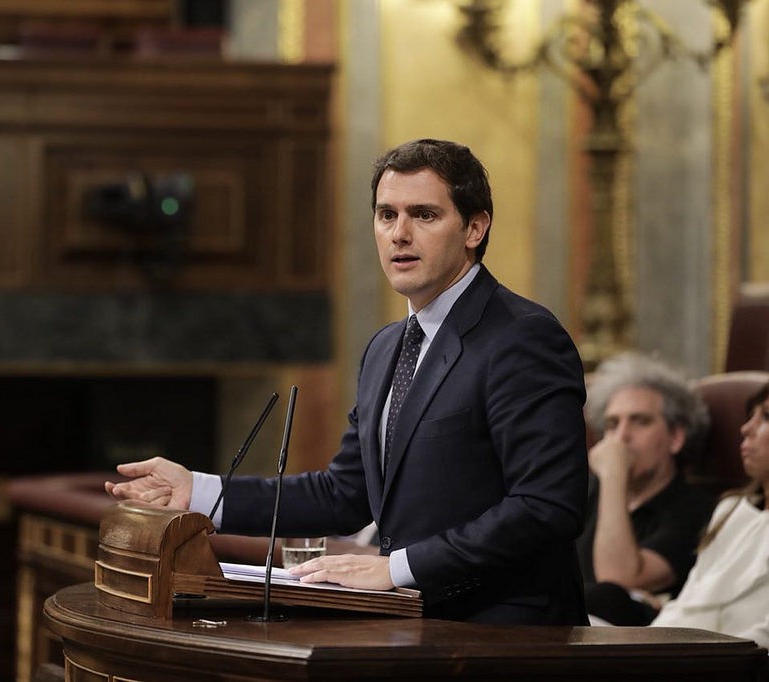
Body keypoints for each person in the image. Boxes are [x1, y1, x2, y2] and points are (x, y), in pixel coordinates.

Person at [107, 138, 590, 625]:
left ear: (474, 227)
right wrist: (202, 494)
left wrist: (397, 569)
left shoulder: (522, 337)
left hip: (507, 636)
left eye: (423, 215)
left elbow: (546, 506)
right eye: (386, 215)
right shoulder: (386, 347)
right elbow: (344, 494)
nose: (399, 234)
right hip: (411, 629)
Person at [578, 352, 715, 625]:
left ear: (676, 438)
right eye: (612, 424)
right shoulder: (585, 492)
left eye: (640, 421)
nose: (621, 437)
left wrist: (614, 475)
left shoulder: (698, 509)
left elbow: (617, 582)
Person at [650, 381, 769, 648]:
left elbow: (761, 639)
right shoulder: (731, 509)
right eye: (751, 416)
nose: (745, 428)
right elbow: (689, 604)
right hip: (674, 648)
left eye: (766, 417)